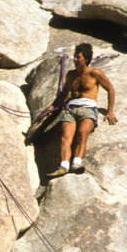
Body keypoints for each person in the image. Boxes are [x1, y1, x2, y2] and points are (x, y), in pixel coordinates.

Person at [48, 43, 117, 177]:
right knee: (65, 137)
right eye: (74, 56)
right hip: (70, 109)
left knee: (82, 134)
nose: (74, 59)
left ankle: (77, 163)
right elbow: (64, 93)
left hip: (88, 108)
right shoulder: (70, 75)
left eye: (78, 57)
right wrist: (52, 106)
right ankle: (63, 166)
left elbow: (110, 89)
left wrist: (110, 111)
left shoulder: (95, 73)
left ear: (86, 59)